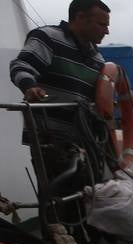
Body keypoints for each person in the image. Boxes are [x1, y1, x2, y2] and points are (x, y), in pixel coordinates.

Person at [8, 1, 111, 147]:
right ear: (80, 17)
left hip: (85, 142)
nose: (106, 31)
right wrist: (30, 87)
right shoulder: (47, 37)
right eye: (101, 24)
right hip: (48, 141)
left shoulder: (98, 58)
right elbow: (21, 65)